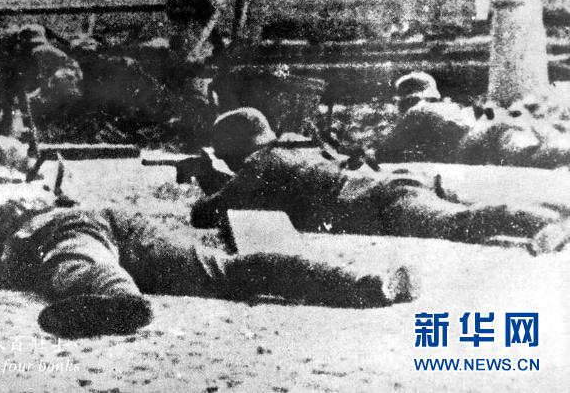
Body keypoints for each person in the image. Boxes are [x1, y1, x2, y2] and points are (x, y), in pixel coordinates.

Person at [0, 135, 416, 338]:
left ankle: (117, 301)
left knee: (76, 261)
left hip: (63, 231)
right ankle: (363, 283)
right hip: (120, 222)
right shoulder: (38, 187)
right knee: (228, 272)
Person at [189, 108, 569, 253]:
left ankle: (544, 222)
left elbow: (207, 213)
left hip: (380, 201)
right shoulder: (293, 147)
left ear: (237, 148)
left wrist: (204, 177)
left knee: (456, 224)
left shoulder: (261, 164)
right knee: (463, 212)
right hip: (390, 187)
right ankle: (554, 211)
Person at [374, 71, 475, 163]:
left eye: (400, 103)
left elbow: (383, 152)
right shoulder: (453, 109)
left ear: (409, 100)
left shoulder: (418, 112)